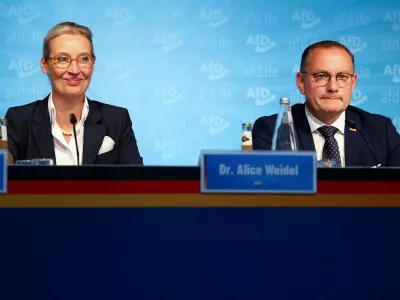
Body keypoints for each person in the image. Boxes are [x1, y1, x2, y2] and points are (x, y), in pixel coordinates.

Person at [5, 22, 143, 165]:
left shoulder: (116, 119)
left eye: (84, 59)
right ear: (44, 65)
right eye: (63, 59)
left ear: (93, 64)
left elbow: (138, 183)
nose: (75, 70)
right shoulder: (19, 120)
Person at [252, 40, 400, 167]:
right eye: (321, 76)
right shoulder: (273, 130)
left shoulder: (380, 130)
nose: (333, 87)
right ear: (301, 82)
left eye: (342, 77)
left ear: (353, 82)